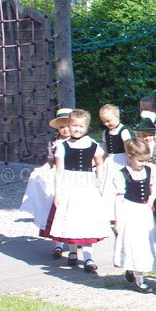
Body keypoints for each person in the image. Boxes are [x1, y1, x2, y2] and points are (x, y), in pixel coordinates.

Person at [48, 109, 110, 273]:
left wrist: (99, 177)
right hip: (69, 184)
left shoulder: (92, 145)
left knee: (85, 219)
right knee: (70, 218)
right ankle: (73, 253)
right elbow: (59, 171)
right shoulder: (62, 146)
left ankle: (88, 257)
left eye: (81, 126)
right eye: (74, 125)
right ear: (69, 125)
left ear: (86, 127)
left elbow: (100, 161)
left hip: (86, 185)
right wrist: (57, 193)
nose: (77, 129)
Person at [20, 107, 72, 258]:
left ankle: (76, 241)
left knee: (72, 210)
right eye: (61, 127)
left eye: (67, 125)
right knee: (56, 209)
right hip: (58, 176)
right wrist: (40, 170)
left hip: (74, 177)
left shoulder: (77, 142)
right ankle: (58, 244)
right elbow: (51, 162)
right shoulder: (54, 143)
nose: (65, 129)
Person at [112, 138, 156, 293]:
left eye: (146, 160)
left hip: (144, 212)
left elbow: (153, 186)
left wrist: (152, 198)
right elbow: (118, 198)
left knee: (143, 243)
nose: (144, 163)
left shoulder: (149, 169)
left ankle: (136, 271)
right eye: (140, 160)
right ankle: (139, 278)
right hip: (130, 212)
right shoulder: (123, 174)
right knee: (133, 243)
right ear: (130, 157)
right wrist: (117, 221)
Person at [98, 104, 133, 217]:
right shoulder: (106, 132)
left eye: (109, 121)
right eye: (104, 122)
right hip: (110, 160)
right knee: (108, 184)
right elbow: (105, 148)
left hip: (121, 159)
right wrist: (100, 161)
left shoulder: (123, 131)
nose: (106, 124)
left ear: (117, 116)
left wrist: (129, 160)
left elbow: (127, 146)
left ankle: (122, 211)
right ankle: (109, 213)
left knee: (121, 184)